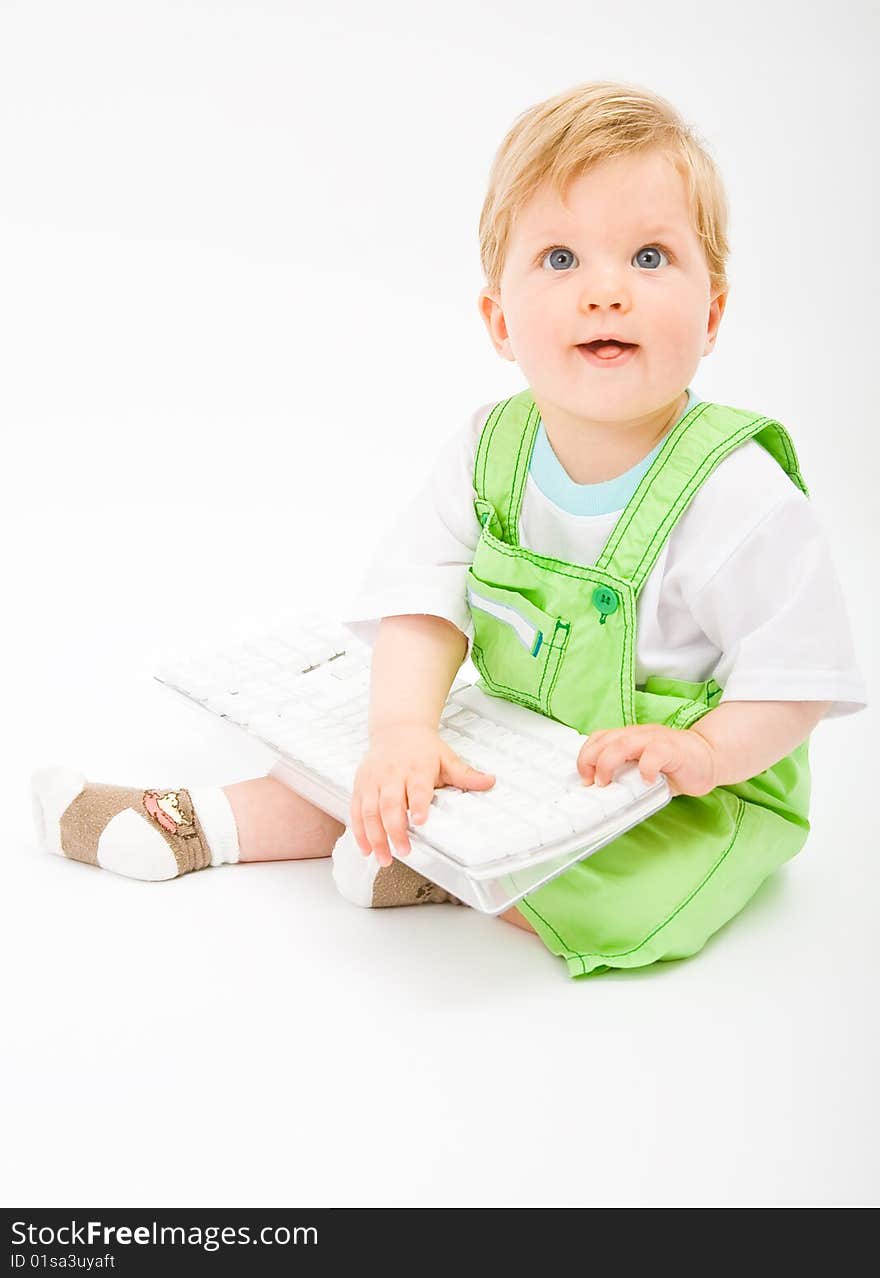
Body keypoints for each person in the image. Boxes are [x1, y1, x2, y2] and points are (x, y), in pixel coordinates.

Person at [32, 80, 868, 979]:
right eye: (559, 259)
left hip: (685, 793)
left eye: (650, 256)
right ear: (499, 321)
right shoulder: (491, 447)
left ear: (712, 313)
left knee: (640, 890)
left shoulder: (740, 495)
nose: (605, 293)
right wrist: (400, 732)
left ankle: (445, 874)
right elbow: (423, 597)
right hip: (525, 735)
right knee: (387, 764)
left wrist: (704, 752)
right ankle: (192, 821)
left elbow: (798, 680)